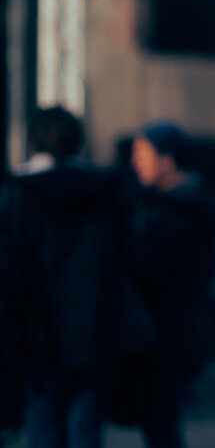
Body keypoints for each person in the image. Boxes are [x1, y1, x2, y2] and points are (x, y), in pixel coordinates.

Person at [0, 106, 152, 448]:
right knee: (86, 426)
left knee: (43, 424)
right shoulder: (106, 188)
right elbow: (132, 256)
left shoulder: (17, 192)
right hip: (98, 326)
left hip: (36, 330)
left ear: (33, 140)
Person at [127, 121, 215, 448]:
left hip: (166, 331)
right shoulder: (196, 204)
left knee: (161, 424)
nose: (136, 163)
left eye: (142, 155)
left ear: (167, 159)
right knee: (163, 422)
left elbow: (152, 267)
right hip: (181, 329)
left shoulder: (173, 209)